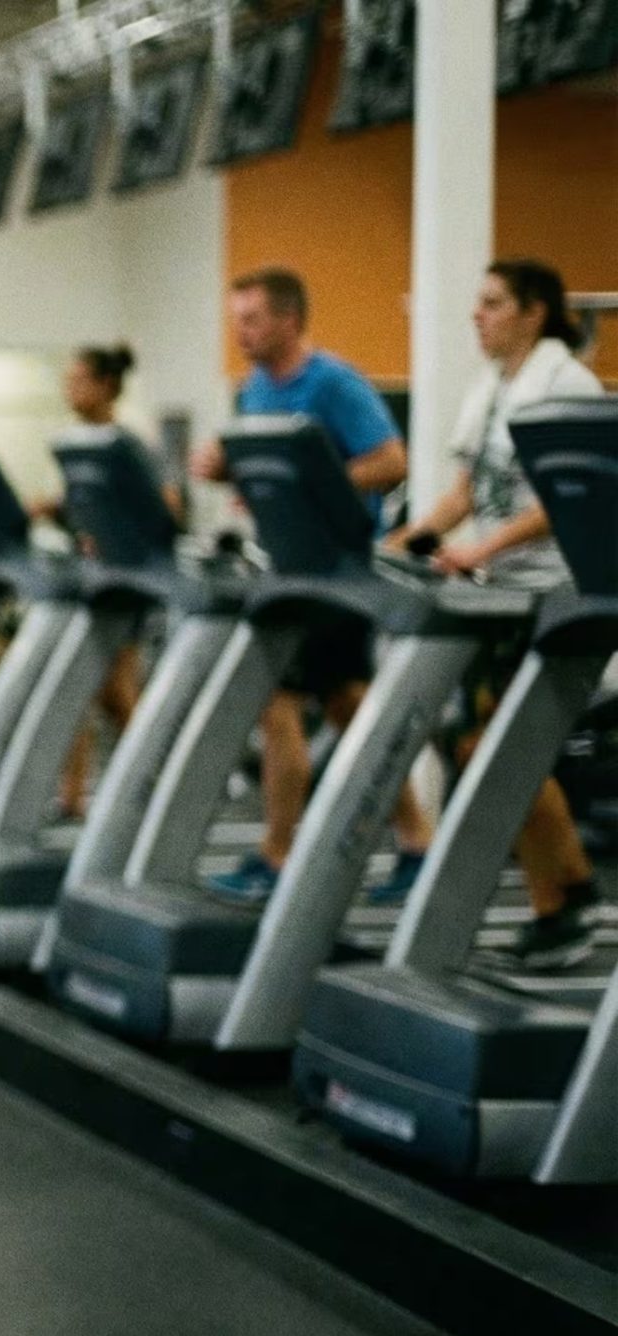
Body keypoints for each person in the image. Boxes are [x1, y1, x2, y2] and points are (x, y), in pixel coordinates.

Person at [387, 258, 606, 967]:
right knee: (485, 747)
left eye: (491, 303)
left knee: (498, 748)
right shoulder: (487, 388)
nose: (476, 315)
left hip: (552, 591)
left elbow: (560, 497)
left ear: (534, 310)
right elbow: (461, 493)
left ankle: (565, 895)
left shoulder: (565, 383)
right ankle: (564, 894)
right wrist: (412, 537)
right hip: (493, 592)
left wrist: (482, 544)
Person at [194, 268, 432, 906]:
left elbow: (390, 462)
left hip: (337, 568)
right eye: (236, 318)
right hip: (289, 563)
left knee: (278, 705)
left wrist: (317, 488)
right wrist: (226, 468)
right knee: (349, 707)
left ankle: (278, 856)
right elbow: (268, 474)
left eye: (252, 319)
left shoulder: (333, 383)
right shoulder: (253, 390)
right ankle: (417, 844)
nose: (240, 331)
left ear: (289, 320)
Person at [45, 345, 166, 818]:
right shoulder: (79, 442)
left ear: (104, 386)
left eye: (78, 380)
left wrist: (114, 535)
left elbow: (164, 507)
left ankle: (149, 789)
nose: (68, 388)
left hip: (126, 581)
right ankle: (71, 797)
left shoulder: (127, 442)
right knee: (79, 686)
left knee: (115, 694)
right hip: (90, 577)